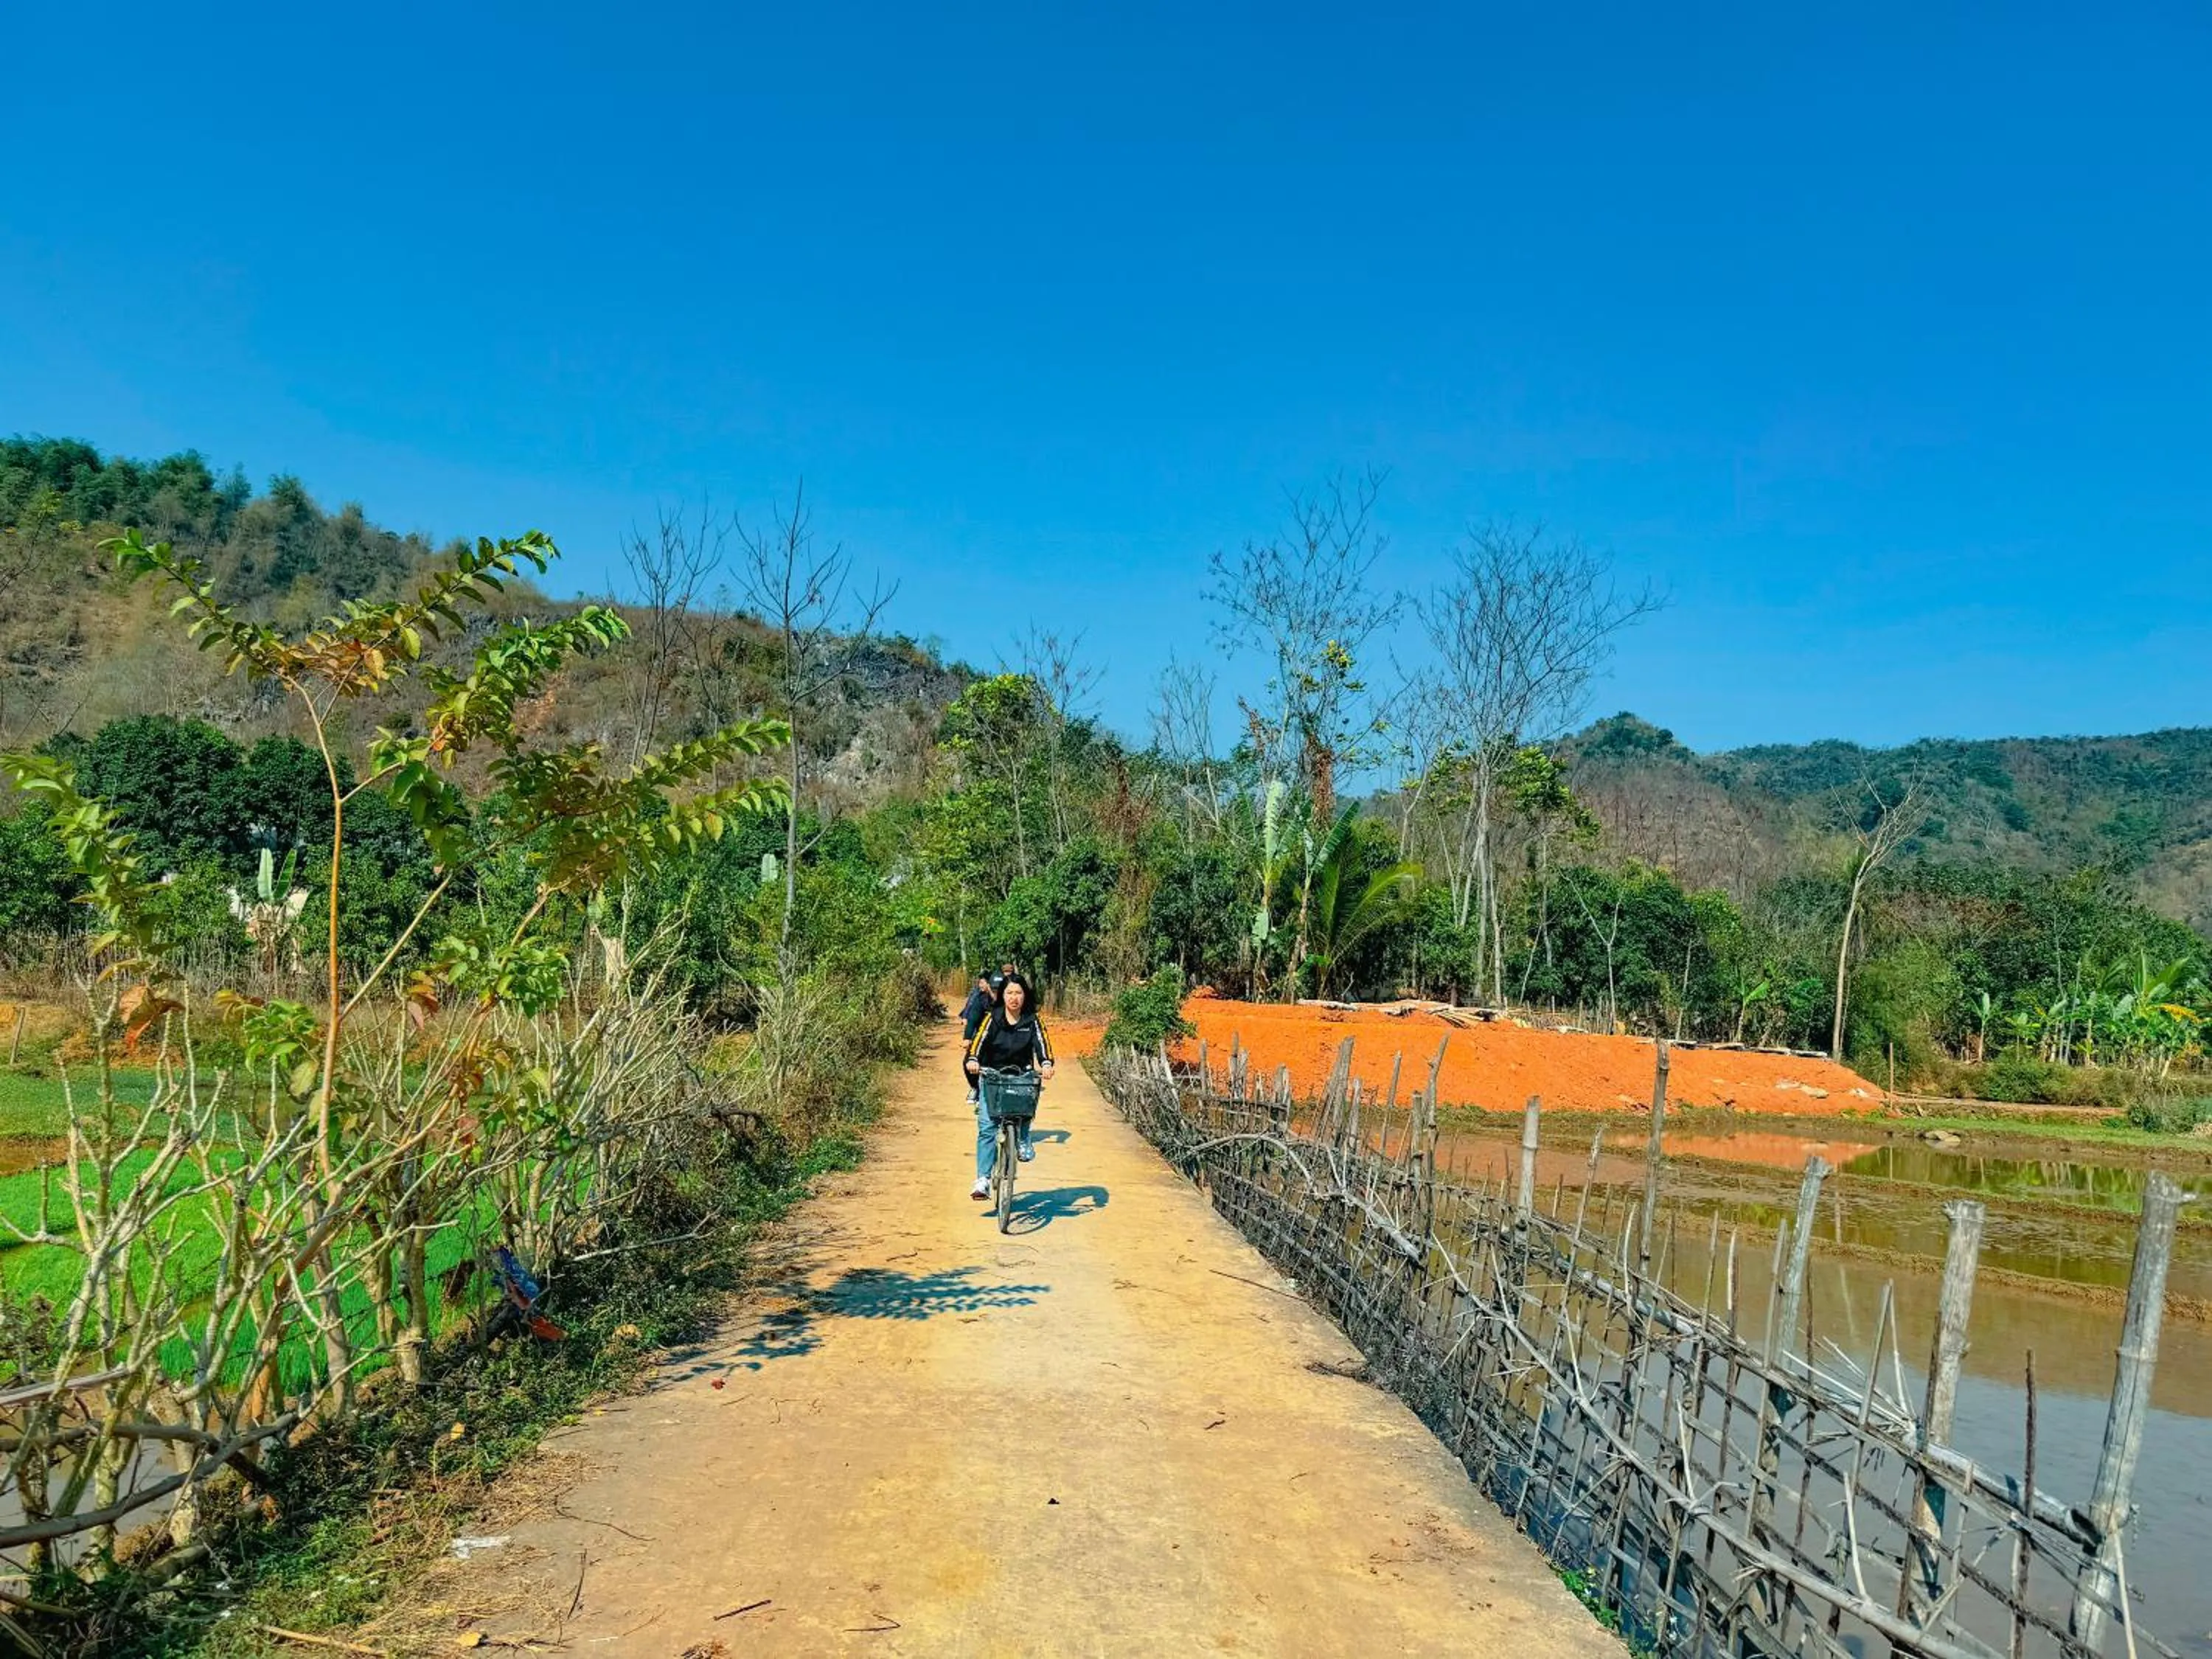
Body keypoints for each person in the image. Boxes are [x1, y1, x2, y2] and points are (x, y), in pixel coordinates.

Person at [964, 973, 1054, 1199]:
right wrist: (973, 1060)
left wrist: (1046, 1063)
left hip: (1021, 1075)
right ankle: (983, 1180)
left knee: (1027, 1103)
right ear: (1002, 996)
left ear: (1025, 996)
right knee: (988, 1127)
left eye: (1019, 993)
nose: (1014, 998)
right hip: (993, 1075)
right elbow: (978, 1043)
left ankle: (1023, 1138)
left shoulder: (1032, 1020)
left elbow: (1042, 1044)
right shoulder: (992, 1019)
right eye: (1010, 993)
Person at [956, 970, 998, 1101]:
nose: (997, 993)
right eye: (994, 989)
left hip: (1004, 1039)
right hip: (983, 1037)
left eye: (1000, 989)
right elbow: (972, 1020)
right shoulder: (981, 1000)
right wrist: (967, 1038)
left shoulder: (1011, 1001)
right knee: (968, 1061)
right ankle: (976, 1088)